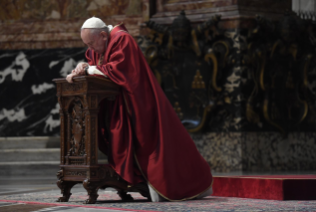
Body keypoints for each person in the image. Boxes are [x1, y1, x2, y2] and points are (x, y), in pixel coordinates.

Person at [66, 17, 213, 202]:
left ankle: (177, 184)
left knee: (150, 144)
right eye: (87, 44)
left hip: (137, 103)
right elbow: (96, 62)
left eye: (91, 43)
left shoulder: (121, 39)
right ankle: (131, 181)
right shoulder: (103, 43)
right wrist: (86, 66)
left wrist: (90, 70)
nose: (90, 48)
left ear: (103, 35)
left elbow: (120, 69)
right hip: (118, 104)